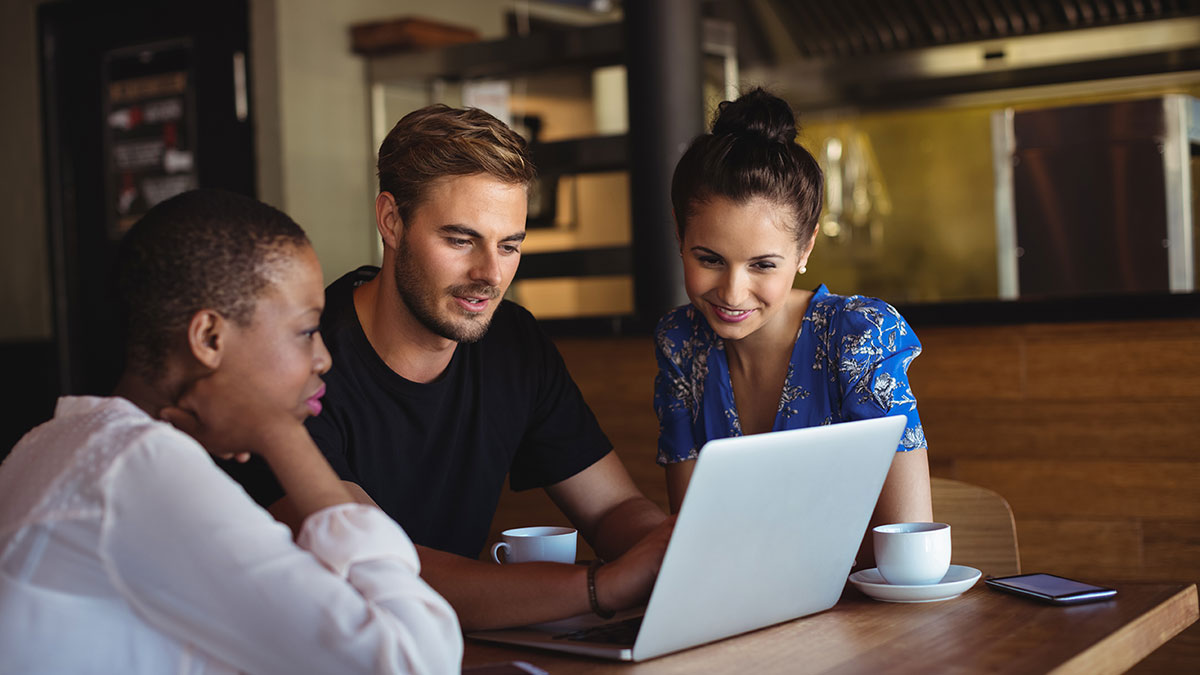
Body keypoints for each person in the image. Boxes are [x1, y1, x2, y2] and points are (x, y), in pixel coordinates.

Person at [229, 105, 671, 631]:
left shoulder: (514, 344)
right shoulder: (301, 364)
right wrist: (602, 587)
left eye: (509, 245)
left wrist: (670, 551)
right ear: (391, 221)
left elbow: (611, 507)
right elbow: (382, 575)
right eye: (460, 240)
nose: (489, 274)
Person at [0, 190, 462, 674]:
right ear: (209, 339)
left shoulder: (52, 441)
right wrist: (281, 435)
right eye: (306, 331)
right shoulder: (142, 468)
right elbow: (415, 659)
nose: (323, 358)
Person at [654, 89, 932, 566]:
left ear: (805, 251)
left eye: (763, 265)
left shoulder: (860, 337)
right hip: (733, 614)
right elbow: (694, 545)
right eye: (709, 259)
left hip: (861, 615)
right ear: (679, 233)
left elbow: (908, 553)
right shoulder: (681, 343)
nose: (733, 292)